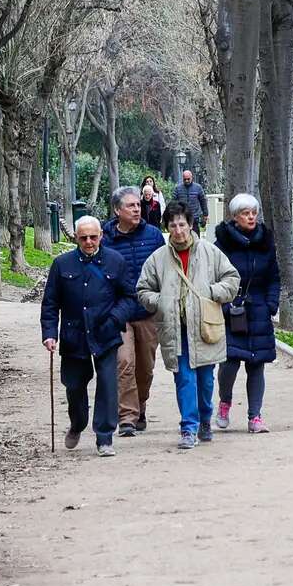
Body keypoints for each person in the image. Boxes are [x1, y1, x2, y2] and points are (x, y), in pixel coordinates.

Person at [136, 202, 240, 450]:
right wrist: (159, 301)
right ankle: (188, 427)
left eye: (182, 224)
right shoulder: (158, 259)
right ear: (167, 228)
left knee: (205, 381)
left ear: (191, 225)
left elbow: (232, 278)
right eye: (173, 225)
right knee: (184, 379)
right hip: (175, 330)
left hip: (204, 326)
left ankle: (205, 419)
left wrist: (213, 292)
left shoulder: (209, 252)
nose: (178, 229)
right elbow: (142, 290)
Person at [40, 215, 140, 457]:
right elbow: (51, 303)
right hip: (74, 336)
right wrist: (50, 334)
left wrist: (115, 319)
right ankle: (77, 423)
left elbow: (129, 297)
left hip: (105, 332)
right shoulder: (62, 264)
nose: (88, 241)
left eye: (93, 237)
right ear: (76, 238)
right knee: (74, 386)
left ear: (101, 236)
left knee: (107, 385)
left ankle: (104, 437)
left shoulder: (115, 261)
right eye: (83, 237)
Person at [102, 187, 167, 437]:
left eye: (138, 205)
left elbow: (164, 269)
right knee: (124, 362)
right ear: (118, 210)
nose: (137, 209)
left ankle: (140, 406)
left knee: (145, 367)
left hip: (148, 311)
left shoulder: (153, 236)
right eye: (130, 206)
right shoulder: (106, 239)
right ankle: (126, 417)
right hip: (119, 312)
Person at [214, 193, 281, 433]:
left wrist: (271, 304)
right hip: (232, 311)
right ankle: (225, 401)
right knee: (229, 363)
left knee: (257, 365)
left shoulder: (265, 241)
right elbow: (213, 278)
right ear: (235, 217)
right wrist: (223, 305)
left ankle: (255, 417)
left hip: (259, 310)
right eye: (245, 213)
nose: (251, 216)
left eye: (253, 212)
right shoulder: (222, 243)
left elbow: (274, 277)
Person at [171, 168, 208, 232]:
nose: (186, 181)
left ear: (191, 177)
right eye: (185, 179)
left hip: (194, 217)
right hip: (182, 217)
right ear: (182, 179)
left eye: (188, 179)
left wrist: (205, 214)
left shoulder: (198, 187)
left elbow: (203, 201)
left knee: (195, 238)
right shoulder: (178, 188)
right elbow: (173, 202)